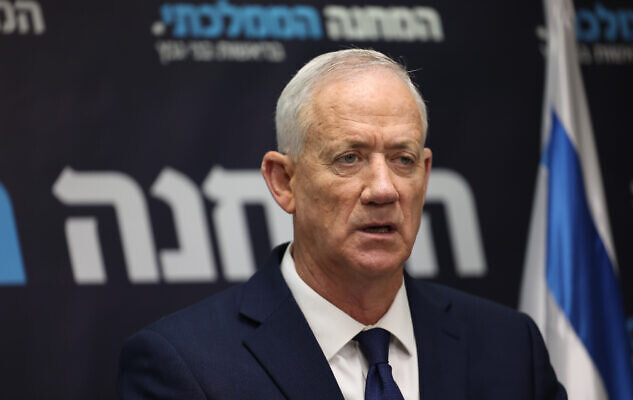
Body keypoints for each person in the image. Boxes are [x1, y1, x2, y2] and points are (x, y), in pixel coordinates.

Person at [118, 49, 566, 400]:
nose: (384, 189)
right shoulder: (185, 365)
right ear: (283, 181)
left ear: (425, 177)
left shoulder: (510, 347)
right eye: (349, 158)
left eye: (402, 160)